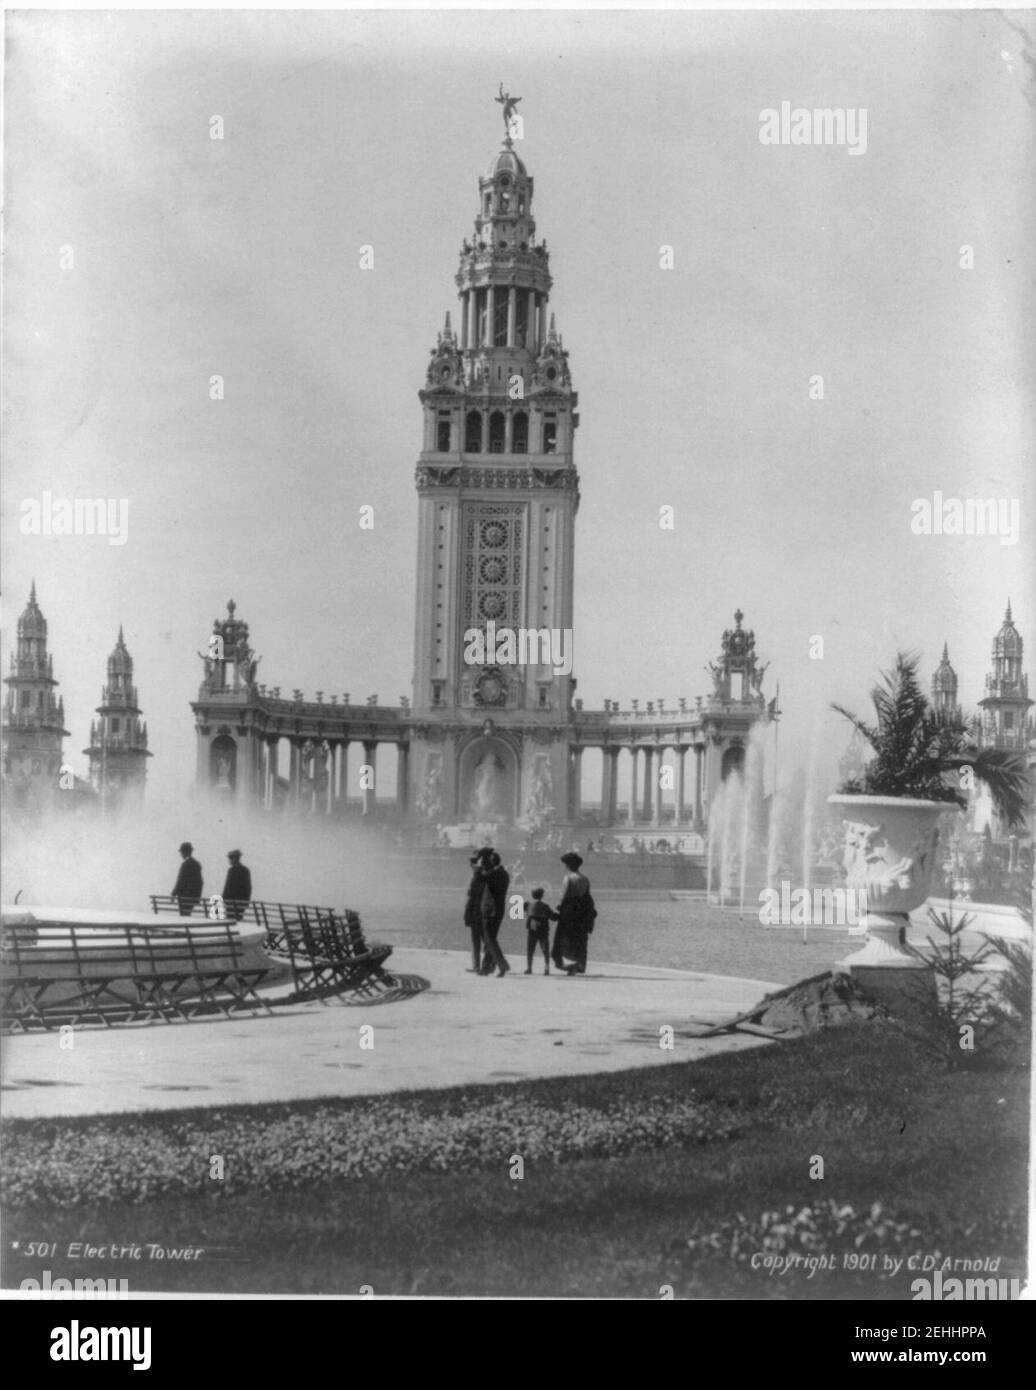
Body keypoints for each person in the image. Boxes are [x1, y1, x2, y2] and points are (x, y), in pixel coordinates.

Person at [551, 851, 597, 976]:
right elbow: (587, 896)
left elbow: (565, 895)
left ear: (568, 865)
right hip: (581, 912)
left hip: (569, 911)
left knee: (564, 938)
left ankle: (567, 964)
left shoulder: (568, 877)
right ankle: (578, 964)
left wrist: (558, 908)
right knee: (579, 938)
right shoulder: (584, 879)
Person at [478, 850, 511, 977]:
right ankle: (486, 967)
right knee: (490, 939)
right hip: (499, 910)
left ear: (491, 862)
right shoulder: (504, 874)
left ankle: (502, 964)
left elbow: (481, 877)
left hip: (490, 911)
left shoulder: (494, 874)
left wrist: (479, 866)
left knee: (489, 939)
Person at [523, 888, 557, 975]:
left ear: (532, 895)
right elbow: (553, 917)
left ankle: (529, 968)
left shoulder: (528, 905)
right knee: (545, 951)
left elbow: (525, 911)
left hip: (532, 931)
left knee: (530, 950)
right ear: (542, 896)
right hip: (543, 931)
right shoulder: (545, 906)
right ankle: (546, 968)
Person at [463, 853, 486, 972]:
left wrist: (466, 915)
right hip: (484, 913)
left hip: (475, 913)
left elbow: (471, 899)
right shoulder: (484, 876)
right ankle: (486, 965)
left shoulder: (476, 878)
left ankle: (477, 966)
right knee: (485, 940)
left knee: (476, 941)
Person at [172, 841, 203, 917]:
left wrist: (173, 894)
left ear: (185, 852)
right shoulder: (196, 864)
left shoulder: (185, 865)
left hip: (184, 897)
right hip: (193, 897)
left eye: (182, 852)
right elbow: (200, 882)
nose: (181, 854)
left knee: (184, 915)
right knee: (187, 914)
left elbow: (180, 882)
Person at [222, 850, 252, 920]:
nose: (230, 860)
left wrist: (224, 898)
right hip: (237, 902)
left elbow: (227, 887)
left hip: (233, 902)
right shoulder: (244, 870)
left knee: (232, 920)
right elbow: (248, 887)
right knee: (236, 920)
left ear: (235, 859)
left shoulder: (233, 870)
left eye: (231, 858)